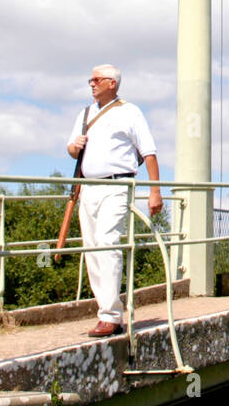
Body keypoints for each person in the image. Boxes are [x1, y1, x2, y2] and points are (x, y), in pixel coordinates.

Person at [66, 64, 163, 337]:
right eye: (90, 80)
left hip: (117, 185)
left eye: (96, 80)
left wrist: (154, 192)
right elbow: (72, 149)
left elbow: (149, 152)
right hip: (88, 187)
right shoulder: (85, 114)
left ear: (112, 83)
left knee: (108, 243)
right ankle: (105, 310)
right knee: (92, 249)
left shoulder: (130, 112)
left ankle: (111, 316)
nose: (92, 84)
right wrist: (75, 146)